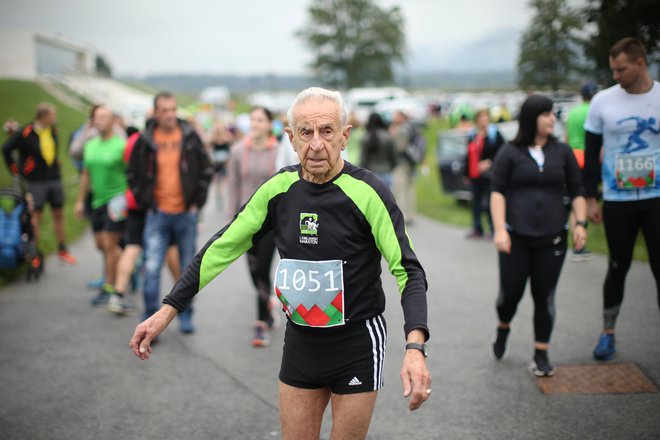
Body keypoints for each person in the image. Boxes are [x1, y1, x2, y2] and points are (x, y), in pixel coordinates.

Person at [130, 87, 432, 439]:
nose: (316, 144)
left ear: (345, 136)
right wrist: (167, 310)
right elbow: (221, 248)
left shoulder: (368, 192)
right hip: (301, 344)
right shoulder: (278, 190)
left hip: (357, 344)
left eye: (327, 131)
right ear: (291, 137)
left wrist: (415, 347)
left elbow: (408, 271)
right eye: (306, 132)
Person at [490, 94, 588, 376]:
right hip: (515, 238)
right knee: (510, 295)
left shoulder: (563, 152)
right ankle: (503, 327)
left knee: (544, 296)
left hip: (553, 238)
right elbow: (497, 192)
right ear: (532, 117)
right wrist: (499, 230)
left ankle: (541, 353)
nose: (552, 119)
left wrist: (580, 223)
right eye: (546, 114)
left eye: (553, 114)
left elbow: (577, 191)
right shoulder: (509, 153)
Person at [583, 37, 660, 362]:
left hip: (656, 197)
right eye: (612, 70)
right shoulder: (602, 101)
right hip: (617, 199)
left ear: (640, 63)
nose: (615, 75)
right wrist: (589, 197)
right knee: (617, 265)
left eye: (621, 69)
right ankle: (607, 332)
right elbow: (589, 152)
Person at [127, 92, 213, 334]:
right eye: (164, 110)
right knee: (152, 267)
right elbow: (132, 174)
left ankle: (186, 315)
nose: (170, 115)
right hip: (157, 214)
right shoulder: (145, 140)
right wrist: (147, 201)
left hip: (185, 214)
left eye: (173, 109)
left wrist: (197, 202)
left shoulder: (189, 137)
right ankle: (149, 319)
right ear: (155, 112)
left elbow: (206, 171)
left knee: (188, 268)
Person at [108, 126, 180, 316]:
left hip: (134, 202)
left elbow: (128, 169)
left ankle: (118, 293)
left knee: (132, 246)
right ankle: (182, 295)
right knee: (170, 247)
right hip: (155, 203)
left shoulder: (131, 141)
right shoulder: (159, 140)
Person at [226, 106, 280, 347]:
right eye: (252, 119)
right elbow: (233, 187)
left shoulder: (279, 152)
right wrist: (232, 220)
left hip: (271, 222)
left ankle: (261, 324)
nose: (255, 124)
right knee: (253, 269)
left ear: (269, 124)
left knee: (263, 269)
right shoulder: (237, 151)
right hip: (246, 221)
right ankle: (268, 303)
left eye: (260, 120)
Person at [2, 102, 77, 265]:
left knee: (59, 213)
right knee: (36, 217)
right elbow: (7, 148)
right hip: (36, 181)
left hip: (54, 178)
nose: (55, 118)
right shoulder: (26, 131)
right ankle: (35, 253)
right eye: (52, 115)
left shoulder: (53, 130)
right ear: (44, 116)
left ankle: (62, 249)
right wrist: (16, 170)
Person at [74, 105, 128, 306]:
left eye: (103, 117)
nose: (99, 120)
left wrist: (128, 199)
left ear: (113, 120)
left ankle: (109, 287)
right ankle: (129, 263)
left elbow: (130, 173)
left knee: (109, 244)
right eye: (96, 117)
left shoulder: (121, 145)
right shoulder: (90, 145)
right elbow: (86, 174)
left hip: (116, 200)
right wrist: (80, 201)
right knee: (100, 245)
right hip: (96, 200)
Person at [566, 80, 599, 261]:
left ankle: (577, 242)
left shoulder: (573, 112)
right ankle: (580, 243)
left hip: (571, 157)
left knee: (576, 200)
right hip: (587, 158)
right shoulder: (593, 110)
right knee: (584, 200)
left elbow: (566, 136)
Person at [465, 109, 504, 239]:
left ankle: (493, 230)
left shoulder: (494, 134)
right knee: (475, 203)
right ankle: (477, 229)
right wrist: (466, 174)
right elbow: (468, 155)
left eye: (486, 118)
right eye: (481, 118)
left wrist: (490, 162)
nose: (484, 121)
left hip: (489, 175)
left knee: (489, 203)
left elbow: (503, 152)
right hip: (475, 176)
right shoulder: (472, 135)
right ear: (477, 120)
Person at [390, 110, 417, 224]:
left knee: (400, 188)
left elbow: (399, 148)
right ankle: (410, 213)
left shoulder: (402, 130)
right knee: (410, 188)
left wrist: (392, 137)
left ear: (401, 117)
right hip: (411, 162)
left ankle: (403, 215)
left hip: (401, 163)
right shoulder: (411, 128)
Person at [360, 112, 396, 188]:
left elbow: (363, 159)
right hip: (386, 171)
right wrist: (392, 166)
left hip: (371, 174)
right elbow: (393, 156)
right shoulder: (387, 136)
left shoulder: (366, 137)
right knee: (387, 199)